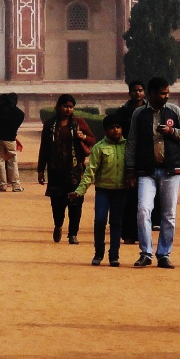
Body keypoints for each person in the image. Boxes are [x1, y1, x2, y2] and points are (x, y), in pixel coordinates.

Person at [125, 77, 180, 268]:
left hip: (170, 170)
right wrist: (130, 168)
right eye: (162, 93)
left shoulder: (174, 111)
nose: (166, 95)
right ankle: (146, 252)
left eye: (167, 92)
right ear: (151, 93)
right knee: (143, 210)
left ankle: (164, 253)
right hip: (147, 170)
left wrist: (171, 131)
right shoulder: (139, 114)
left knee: (168, 214)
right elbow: (132, 142)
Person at [70, 112, 127, 266]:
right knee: (100, 221)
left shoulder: (127, 146)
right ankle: (98, 253)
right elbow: (90, 172)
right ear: (105, 130)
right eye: (111, 128)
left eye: (118, 127)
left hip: (121, 190)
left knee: (116, 222)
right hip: (103, 190)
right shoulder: (99, 148)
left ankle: (114, 255)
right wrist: (80, 191)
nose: (115, 130)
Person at [37, 94, 94, 243]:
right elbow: (44, 148)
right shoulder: (50, 125)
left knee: (76, 202)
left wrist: (83, 137)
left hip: (74, 170)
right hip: (56, 171)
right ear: (58, 106)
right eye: (65, 106)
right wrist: (40, 170)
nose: (68, 109)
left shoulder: (78, 123)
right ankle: (58, 225)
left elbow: (92, 140)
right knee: (57, 203)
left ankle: (73, 234)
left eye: (71, 107)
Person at [115, 80, 146, 244]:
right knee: (129, 197)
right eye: (135, 90)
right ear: (130, 93)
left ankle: (142, 233)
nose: (138, 93)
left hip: (146, 158)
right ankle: (128, 233)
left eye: (140, 90)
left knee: (144, 199)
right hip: (128, 156)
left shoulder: (150, 111)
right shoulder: (123, 111)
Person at [0, 93, 25, 192]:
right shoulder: (19, 113)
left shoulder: (0, 111)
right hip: (10, 139)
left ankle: (2, 185)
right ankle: (16, 185)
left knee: (0, 161)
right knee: (12, 161)